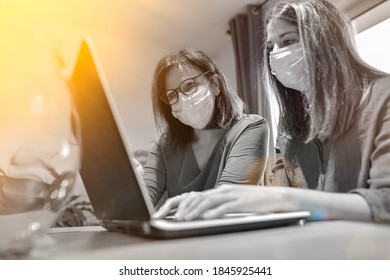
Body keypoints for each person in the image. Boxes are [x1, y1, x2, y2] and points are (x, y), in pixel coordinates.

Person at [153, 0, 390, 222]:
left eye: (287, 41)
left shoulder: (383, 97)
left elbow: (385, 204)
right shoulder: (291, 126)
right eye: (270, 48)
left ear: (328, 40)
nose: (275, 54)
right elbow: (280, 197)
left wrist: (278, 199)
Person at [143, 48, 270, 206]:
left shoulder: (250, 128)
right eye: (171, 95)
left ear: (215, 84)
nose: (182, 99)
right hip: (183, 230)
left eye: (189, 85)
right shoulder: (164, 146)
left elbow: (227, 198)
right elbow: (141, 201)